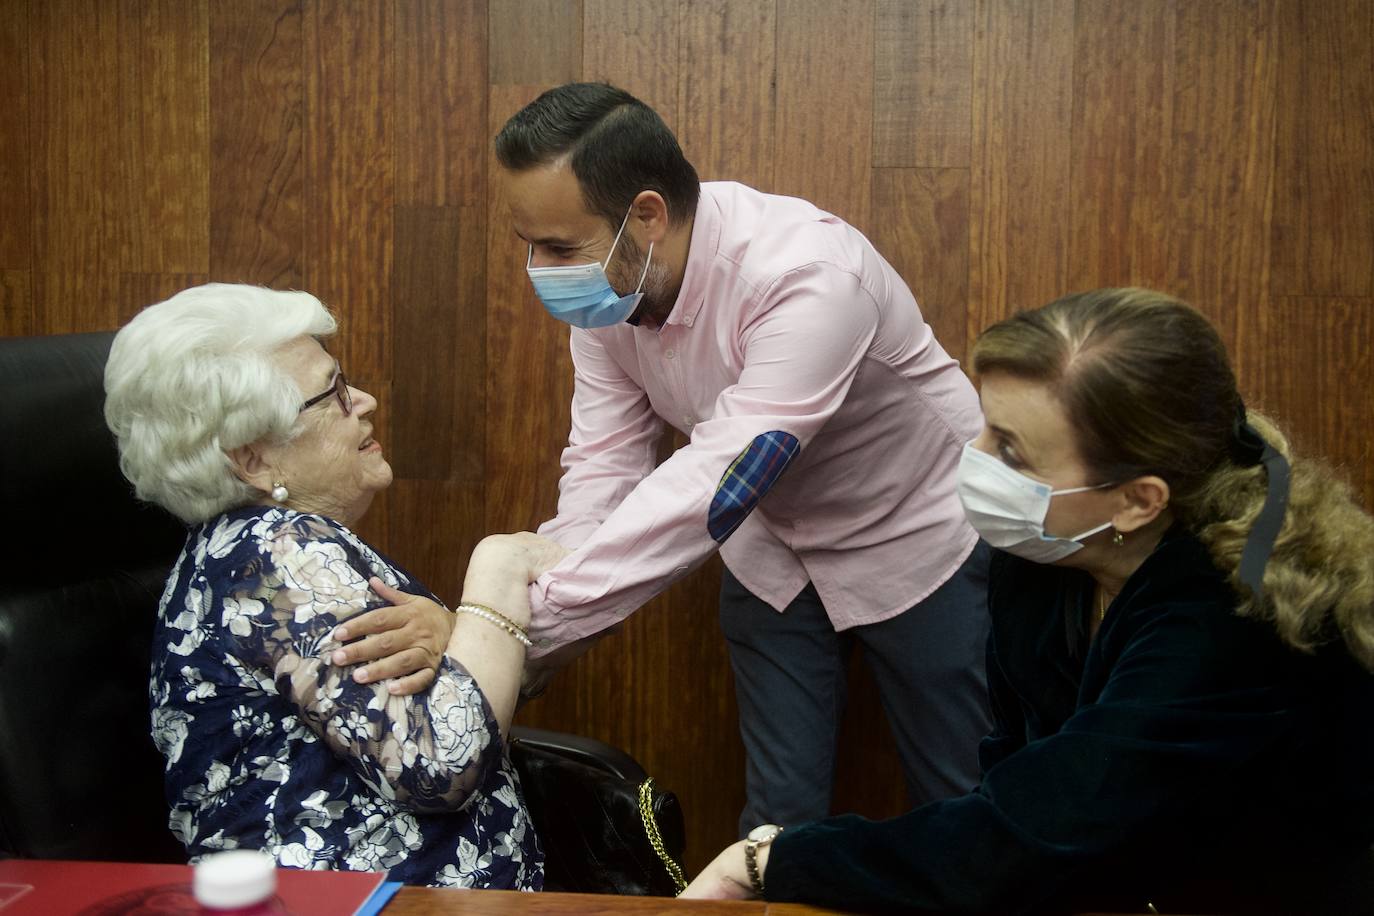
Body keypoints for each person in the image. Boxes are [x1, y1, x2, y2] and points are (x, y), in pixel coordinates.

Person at [683, 287, 1374, 914]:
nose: (973, 456)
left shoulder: (1230, 624)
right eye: (985, 426)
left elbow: (1038, 832)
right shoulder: (1045, 563)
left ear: (1138, 500)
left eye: (1010, 452)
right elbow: (1018, 782)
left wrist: (770, 859)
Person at [495, 81, 992, 833]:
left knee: (964, 799)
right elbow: (603, 470)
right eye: (528, 243)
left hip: (915, 534)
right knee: (776, 816)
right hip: (771, 548)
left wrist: (516, 626)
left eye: (560, 246)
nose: (540, 267)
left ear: (648, 216)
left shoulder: (807, 275)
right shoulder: (608, 291)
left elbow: (722, 478)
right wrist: (526, 623)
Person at [104, 283, 565, 888]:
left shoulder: (263, 551)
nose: (366, 402)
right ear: (253, 461)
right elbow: (440, 763)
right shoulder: (275, 556)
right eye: (334, 395)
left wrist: (456, 629)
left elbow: (451, 699)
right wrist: (497, 570)